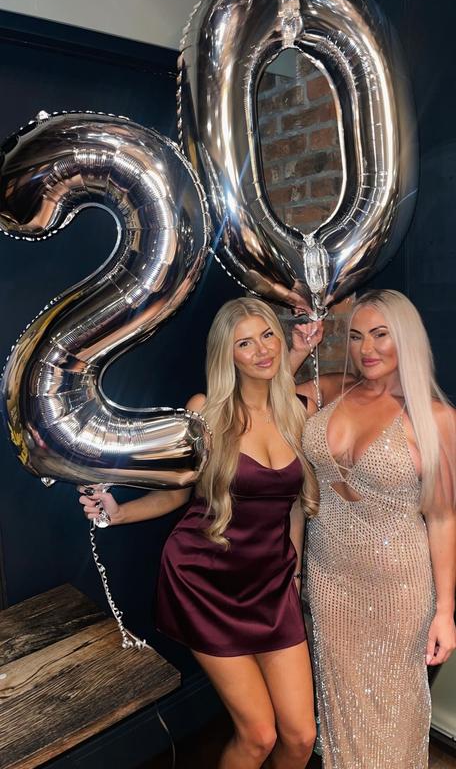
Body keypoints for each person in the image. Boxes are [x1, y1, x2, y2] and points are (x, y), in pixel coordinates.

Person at [79, 297, 319, 769]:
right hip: (206, 582)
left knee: (300, 737)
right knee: (258, 737)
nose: (261, 350)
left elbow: (293, 507)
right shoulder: (204, 412)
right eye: (244, 343)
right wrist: (117, 514)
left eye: (267, 335)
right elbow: (177, 497)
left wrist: (293, 575)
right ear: (227, 355)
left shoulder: (299, 412)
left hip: (272, 586)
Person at [292, 289, 456, 769]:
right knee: (341, 705)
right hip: (328, 578)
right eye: (357, 336)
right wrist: (299, 350)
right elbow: (263, 401)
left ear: (406, 338)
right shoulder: (331, 389)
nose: (367, 349)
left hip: (398, 588)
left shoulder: (438, 419)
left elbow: (444, 518)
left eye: (381, 335)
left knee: (393, 712)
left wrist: (446, 612)